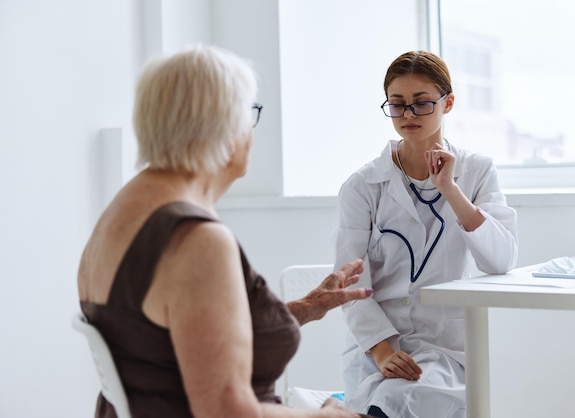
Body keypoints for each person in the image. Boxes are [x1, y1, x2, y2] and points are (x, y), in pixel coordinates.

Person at [77, 44, 376, 418]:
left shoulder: (124, 209)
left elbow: (174, 340)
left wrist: (304, 308)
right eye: (249, 115)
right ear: (224, 128)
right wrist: (327, 416)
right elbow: (227, 411)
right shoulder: (198, 240)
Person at [333, 50, 519, 418]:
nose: (408, 115)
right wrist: (383, 350)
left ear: (448, 103)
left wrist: (450, 189)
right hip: (380, 347)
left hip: (448, 347)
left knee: (407, 398)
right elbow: (350, 286)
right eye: (398, 105)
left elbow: (501, 260)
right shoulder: (362, 186)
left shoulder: (477, 171)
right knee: (389, 397)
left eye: (421, 103)